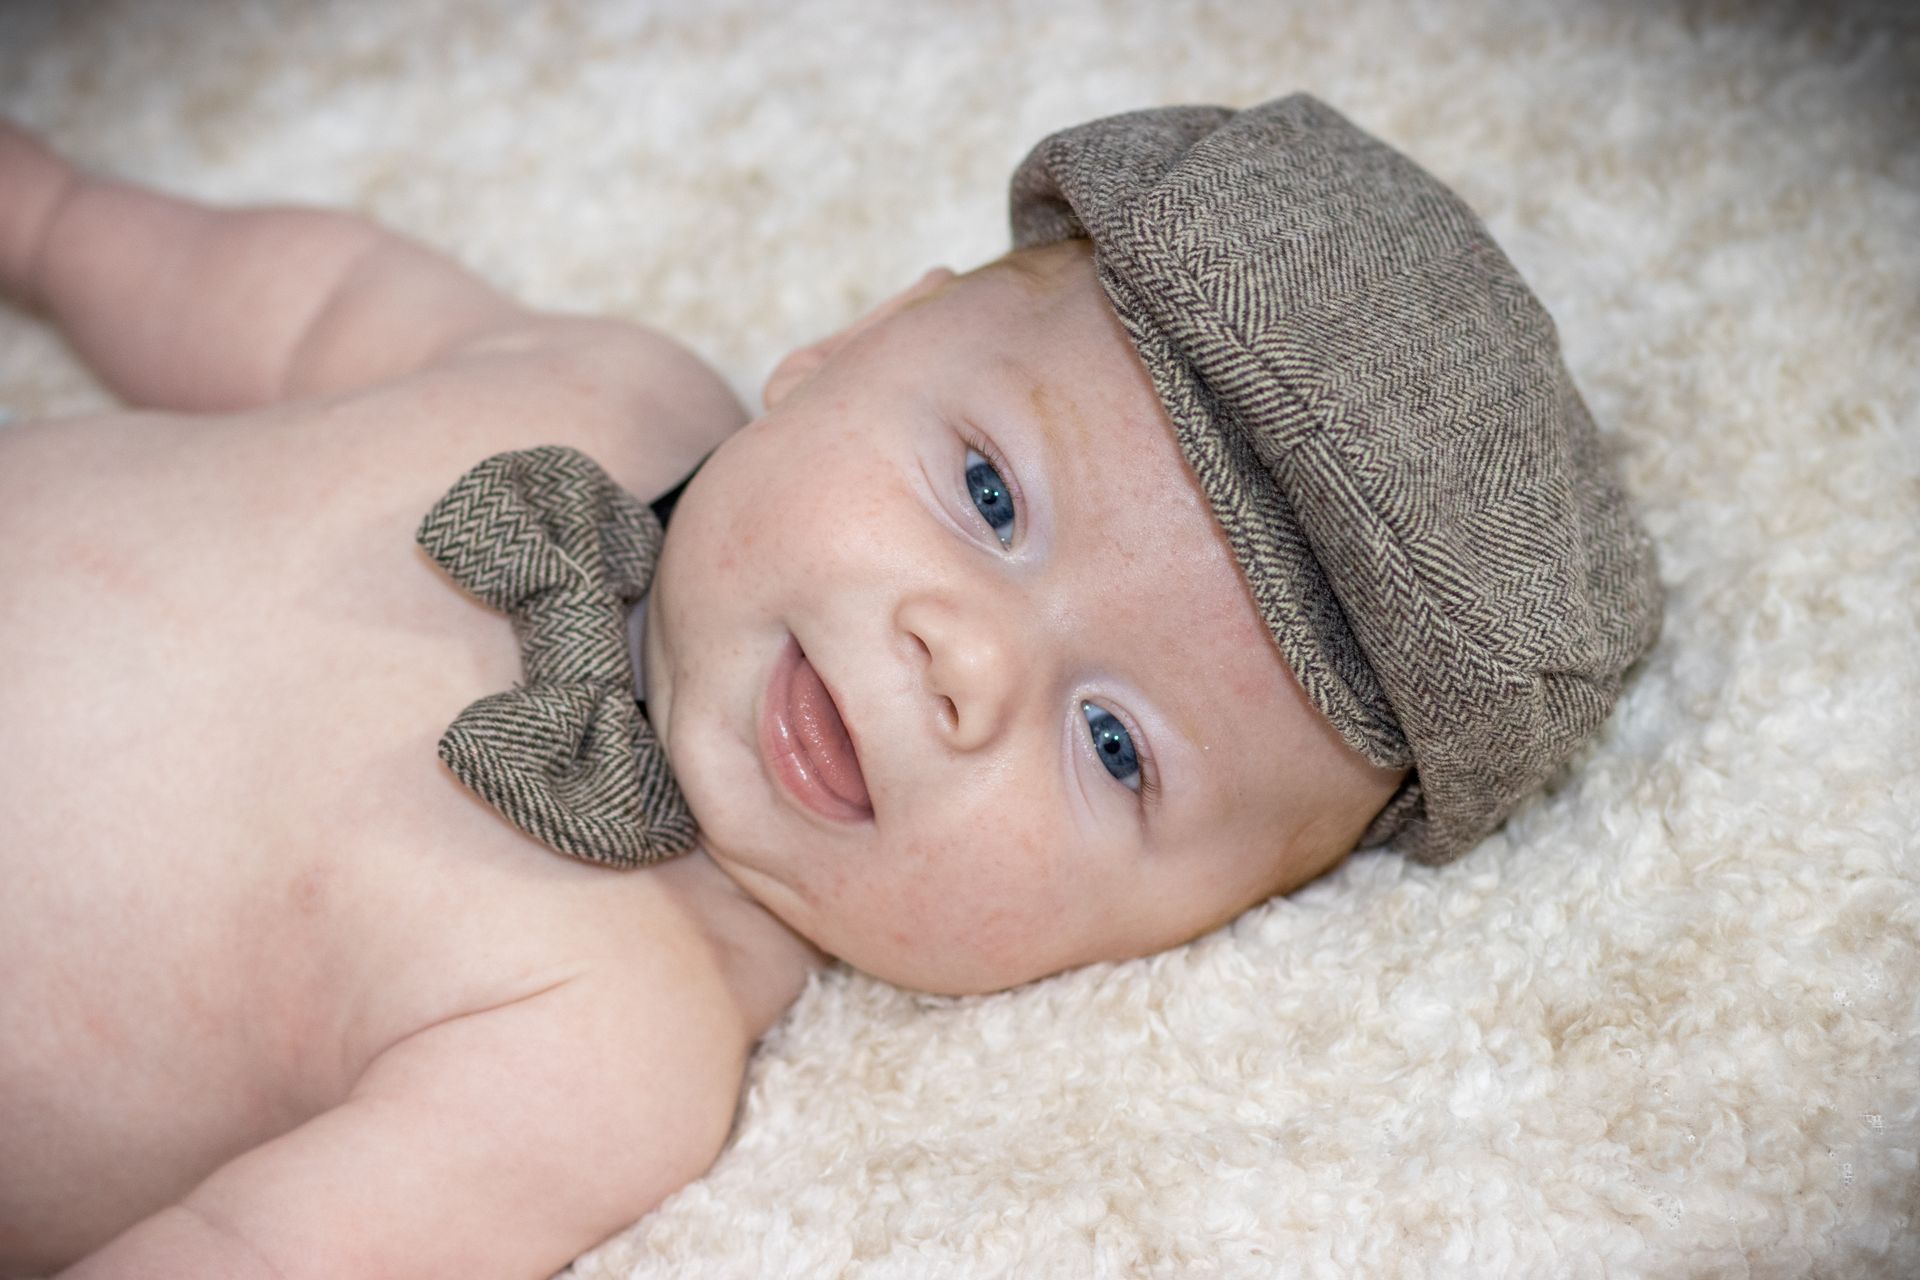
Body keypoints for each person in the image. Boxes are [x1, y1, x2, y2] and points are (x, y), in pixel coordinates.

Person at [0, 94, 1659, 1278]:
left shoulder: (612, 1052)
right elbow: (314, 308)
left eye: (1115, 748)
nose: (972, 661)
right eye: (990, 495)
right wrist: (59, 223)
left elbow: (259, 1250)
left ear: (1162, 946)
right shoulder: (602, 386)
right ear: (849, 347)